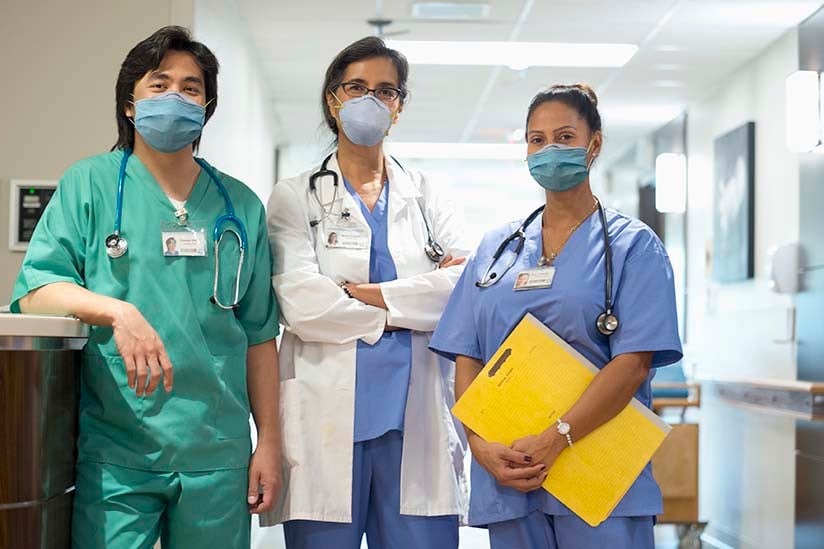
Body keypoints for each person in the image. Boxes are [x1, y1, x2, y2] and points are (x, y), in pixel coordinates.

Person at [9, 26, 281, 548]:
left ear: (206, 108)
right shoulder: (90, 184)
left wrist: (268, 440)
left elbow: (259, 336)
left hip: (215, 451)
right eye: (159, 84)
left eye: (191, 88)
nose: (175, 96)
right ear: (129, 104)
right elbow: (37, 290)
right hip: (118, 448)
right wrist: (117, 312)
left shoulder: (240, 206)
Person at [429, 83, 683, 549]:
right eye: (537, 140)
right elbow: (467, 354)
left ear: (594, 145)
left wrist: (557, 437)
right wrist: (479, 445)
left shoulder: (633, 246)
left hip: (597, 471)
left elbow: (633, 364)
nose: (550, 151)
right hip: (511, 472)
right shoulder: (496, 248)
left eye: (565, 137)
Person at [261, 36, 469, 549]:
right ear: (332, 99)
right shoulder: (295, 196)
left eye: (385, 91)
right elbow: (303, 305)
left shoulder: (428, 194)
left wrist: (362, 293)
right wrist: (408, 308)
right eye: (356, 87)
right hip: (325, 421)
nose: (371, 100)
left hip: (415, 421)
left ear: (399, 107)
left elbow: (461, 291)